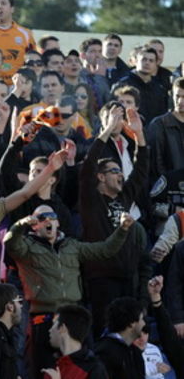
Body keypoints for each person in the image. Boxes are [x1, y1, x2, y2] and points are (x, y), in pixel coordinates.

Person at [4, 207, 134, 377]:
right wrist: (22, 223)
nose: (48, 220)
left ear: (58, 222)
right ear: (34, 225)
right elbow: (10, 243)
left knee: (85, 370)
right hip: (44, 320)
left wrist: (123, 229)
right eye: (41, 218)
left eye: (52, 216)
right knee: (43, 371)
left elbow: (105, 250)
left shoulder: (71, 245)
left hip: (73, 317)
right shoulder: (26, 246)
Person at [79, 105, 152, 338]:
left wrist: (139, 135)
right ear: (100, 177)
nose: (120, 174)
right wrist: (109, 128)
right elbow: (88, 165)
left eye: (120, 171)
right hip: (102, 280)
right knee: (106, 336)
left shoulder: (123, 197)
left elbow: (141, 170)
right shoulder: (91, 200)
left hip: (127, 278)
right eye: (114, 171)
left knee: (129, 337)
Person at [42, 304, 107, 379]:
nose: (50, 330)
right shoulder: (53, 363)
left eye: (54, 324)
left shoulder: (94, 369)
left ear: (62, 328)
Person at [111, 46, 169, 125]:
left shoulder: (159, 88)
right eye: (144, 59)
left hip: (154, 130)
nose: (147, 63)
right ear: (136, 61)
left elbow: (163, 114)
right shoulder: (122, 84)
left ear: (156, 64)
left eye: (151, 60)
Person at [93, 297, 146, 379]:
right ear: (132, 323)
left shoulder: (135, 352)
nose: (144, 323)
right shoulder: (104, 353)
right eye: (141, 319)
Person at [146, 77, 184, 182]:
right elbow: (156, 164)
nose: (180, 101)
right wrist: (167, 185)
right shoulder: (159, 125)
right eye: (177, 96)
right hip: (170, 186)